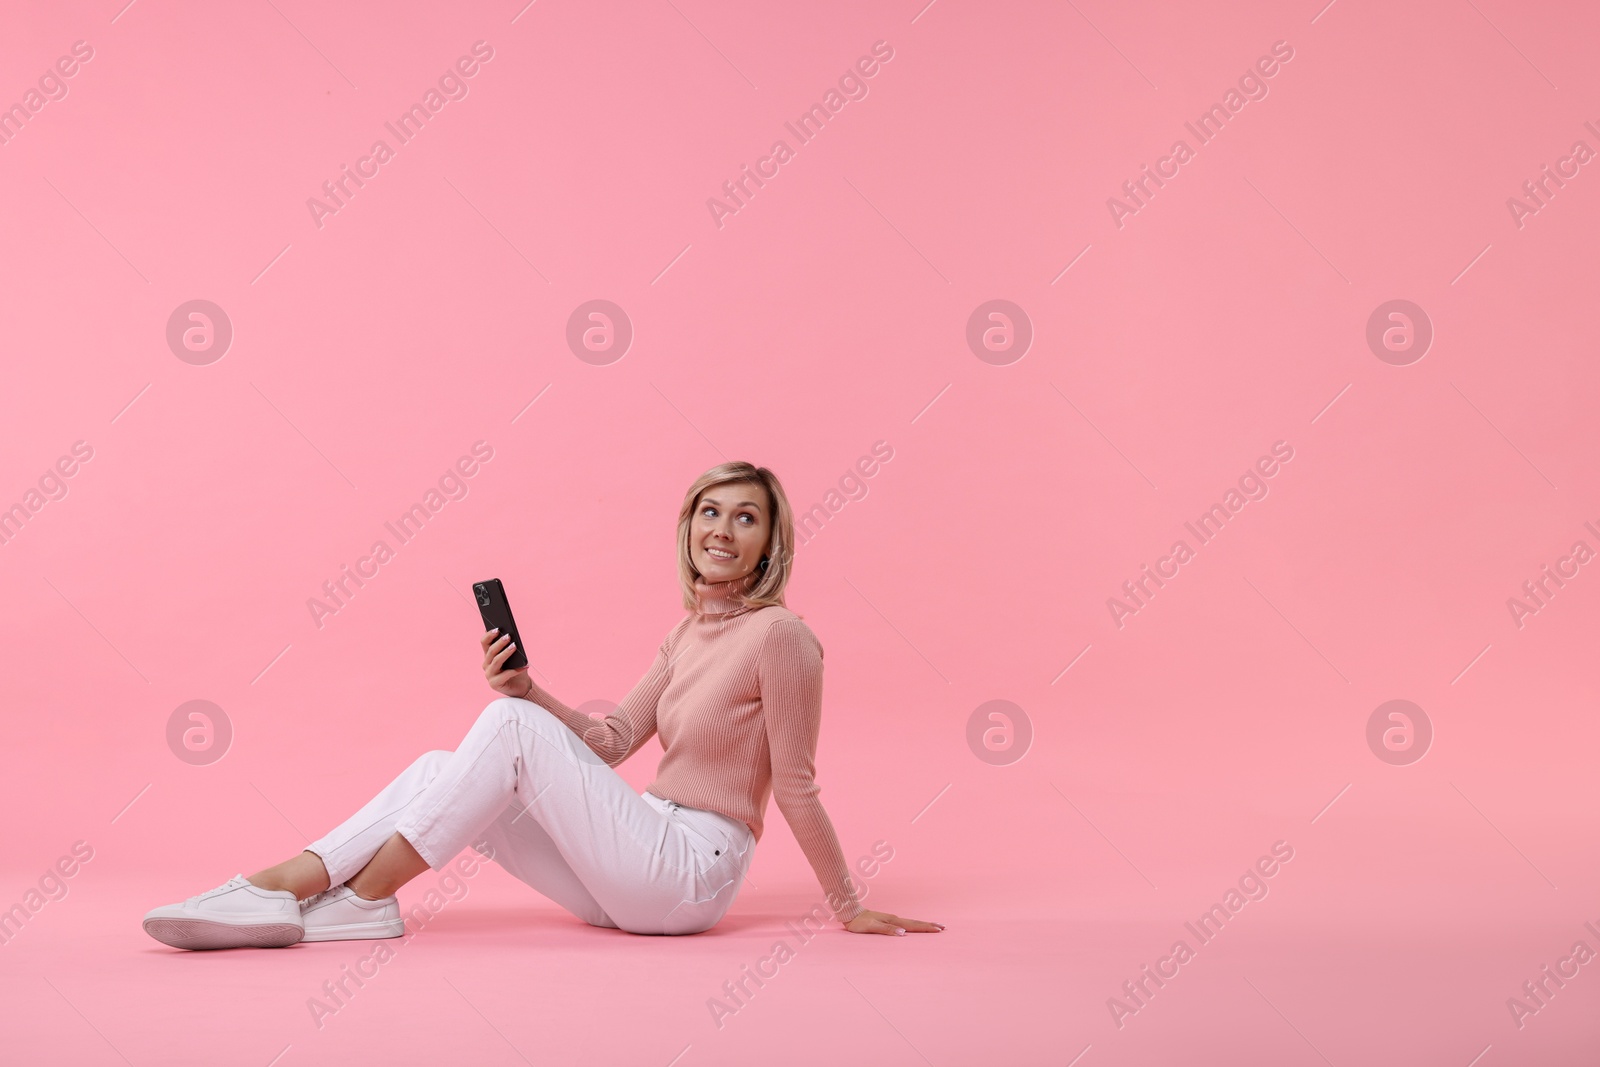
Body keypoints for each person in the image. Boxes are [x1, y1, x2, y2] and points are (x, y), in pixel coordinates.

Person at [142, 461, 943, 948]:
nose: (723, 529)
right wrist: (531, 692)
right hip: (636, 861)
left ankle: (333, 894)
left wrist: (849, 904)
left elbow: (797, 781)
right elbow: (613, 738)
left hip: (692, 872)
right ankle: (316, 892)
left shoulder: (783, 637)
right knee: (442, 764)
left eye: (746, 516)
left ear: (770, 542)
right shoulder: (686, 633)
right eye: (710, 510)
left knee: (505, 731)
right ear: (688, 525)